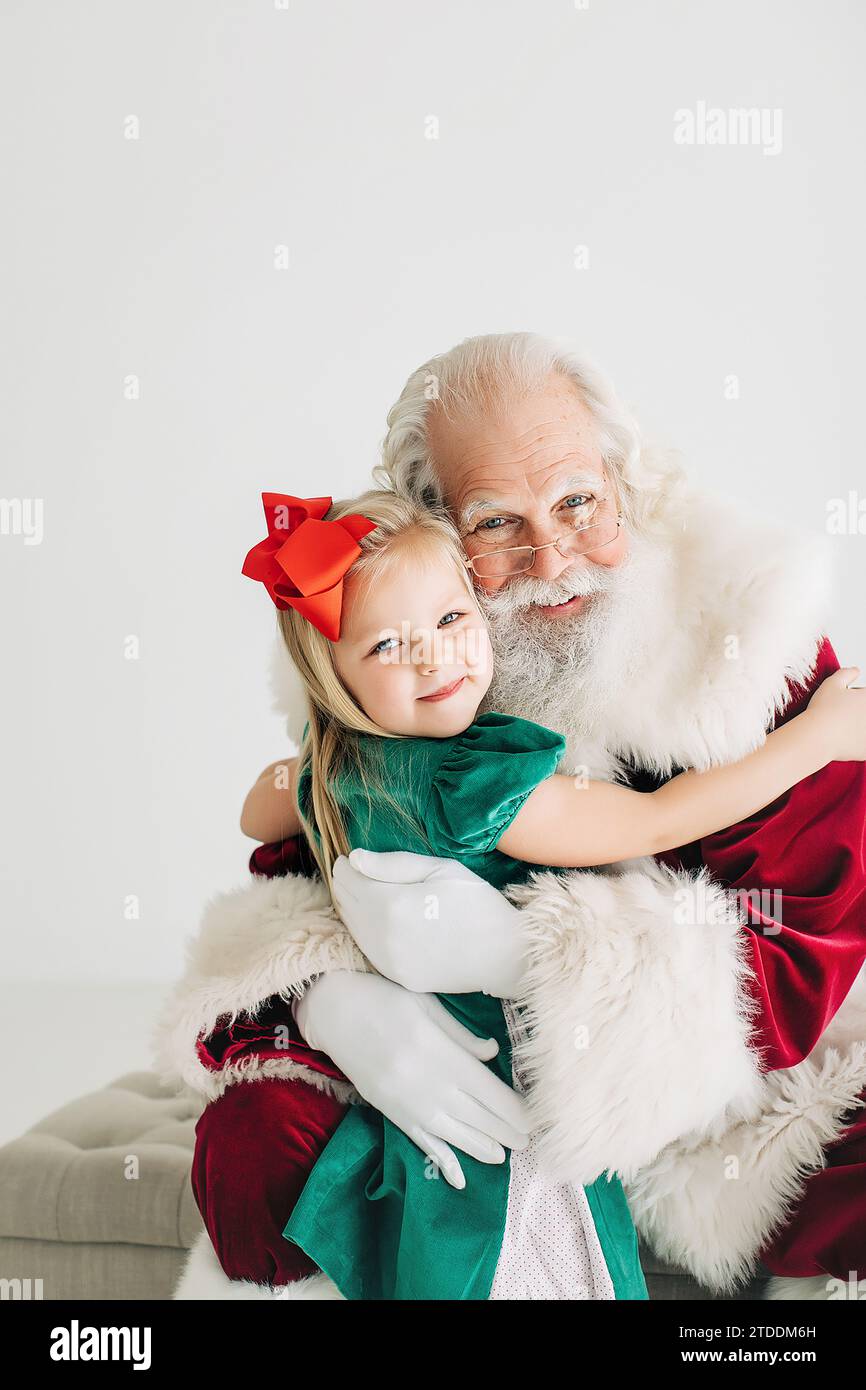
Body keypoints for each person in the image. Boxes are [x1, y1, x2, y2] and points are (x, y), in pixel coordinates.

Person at [160, 333, 866, 1300]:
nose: (551, 558)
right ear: (437, 527)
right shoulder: (404, 658)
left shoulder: (746, 641)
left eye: (578, 500)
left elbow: (803, 947)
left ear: (624, 479)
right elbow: (287, 859)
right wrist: (333, 1005)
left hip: (726, 1096)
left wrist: (526, 959)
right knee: (255, 1156)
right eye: (496, 523)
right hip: (467, 1068)